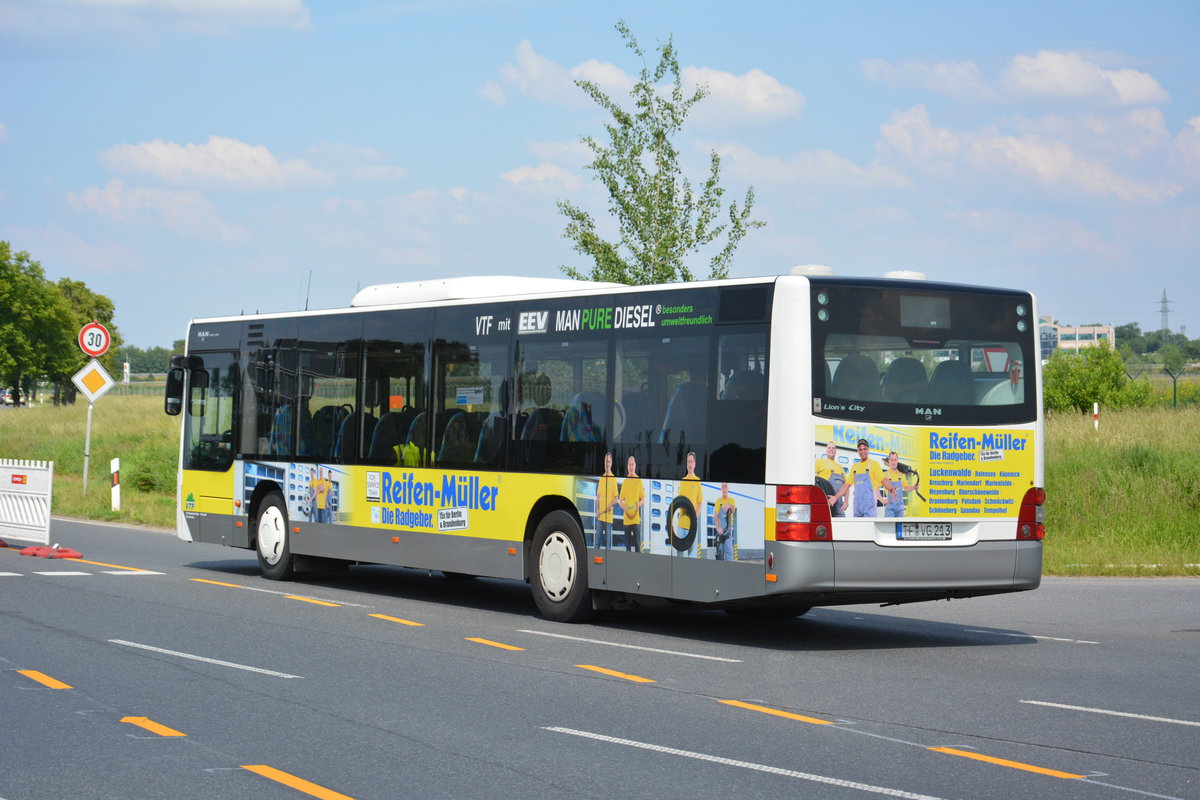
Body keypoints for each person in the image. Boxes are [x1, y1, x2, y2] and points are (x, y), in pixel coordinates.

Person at [829, 439, 893, 518]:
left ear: (868, 450)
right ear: (858, 451)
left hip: (869, 506)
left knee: (869, 528)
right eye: (860, 449)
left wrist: (891, 489)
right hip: (857, 506)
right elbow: (846, 485)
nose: (862, 451)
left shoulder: (874, 464)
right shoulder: (855, 467)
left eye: (864, 449)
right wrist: (836, 497)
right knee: (858, 529)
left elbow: (884, 479)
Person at [674, 451, 703, 555]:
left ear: (694, 464)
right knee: (680, 555)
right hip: (681, 524)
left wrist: (695, 517)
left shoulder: (697, 481)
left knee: (692, 555)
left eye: (691, 462)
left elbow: (700, 503)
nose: (690, 464)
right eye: (688, 462)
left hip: (692, 526)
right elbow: (680, 501)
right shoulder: (683, 481)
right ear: (686, 464)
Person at [619, 455, 645, 552]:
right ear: (627, 467)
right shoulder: (625, 482)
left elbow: (644, 499)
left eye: (632, 464)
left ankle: (638, 566)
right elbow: (620, 501)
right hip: (626, 520)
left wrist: (639, 504)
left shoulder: (639, 481)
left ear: (635, 466)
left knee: (638, 547)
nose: (631, 466)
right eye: (629, 464)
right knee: (628, 548)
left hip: (636, 520)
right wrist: (625, 508)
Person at [815, 441, 847, 517]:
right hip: (826, 503)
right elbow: (809, 475)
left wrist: (846, 501)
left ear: (836, 450)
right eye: (829, 448)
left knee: (841, 527)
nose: (831, 449)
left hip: (839, 505)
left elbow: (846, 485)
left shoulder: (840, 467)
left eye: (833, 448)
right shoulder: (819, 462)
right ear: (826, 450)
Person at [593, 452, 618, 549]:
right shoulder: (602, 478)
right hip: (600, 517)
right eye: (605, 462)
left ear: (611, 463)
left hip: (608, 518)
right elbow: (598, 497)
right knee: (597, 544)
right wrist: (597, 511)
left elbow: (616, 498)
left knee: (608, 546)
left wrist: (612, 504)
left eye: (608, 462)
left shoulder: (613, 479)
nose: (607, 464)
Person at [883, 452, 918, 518]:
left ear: (897, 460)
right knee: (889, 527)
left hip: (900, 509)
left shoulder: (902, 475)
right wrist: (882, 499)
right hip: (890, 508)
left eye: (895, 460)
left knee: (899, 527)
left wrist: (914, 487)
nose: (893, 462)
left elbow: (906, 488)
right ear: (889, 461)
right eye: (892, 460)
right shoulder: (885, 475)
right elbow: (875, 488)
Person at [713, 482, 736, 561]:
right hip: (720, 531)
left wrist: (728, 505)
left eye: (725, 486)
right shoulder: (718, 501)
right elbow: (715, 516)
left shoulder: (731, 500)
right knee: (720, 553)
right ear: (721, 489)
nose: (724, 488)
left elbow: (733, 510)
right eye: (723, 487)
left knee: (729, 553)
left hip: (728, 532)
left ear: (728, 488)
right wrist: (718, 528)